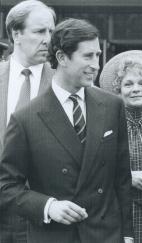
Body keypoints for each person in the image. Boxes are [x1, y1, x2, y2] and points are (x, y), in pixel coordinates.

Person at [0, 18, 133, 243]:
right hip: (55, 235)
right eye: (88, 56)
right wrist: (48, 206)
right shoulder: (26, 118)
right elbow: (6, 187)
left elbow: (121, 179)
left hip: (105, 234)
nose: (96, 65)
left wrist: (127, 235)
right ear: (62, 57)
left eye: (98, 55)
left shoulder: (112, 105)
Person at [100, 50, 142, 243]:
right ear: (118, 89)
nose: (136, 89)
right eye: (128, 84)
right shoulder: (108, 126)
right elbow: (96, 170)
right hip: (122, 215)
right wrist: (127, 177)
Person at [0, 1, 55, 242]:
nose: (48, 39)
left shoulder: (65, 85)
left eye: (51, 32)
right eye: (40, 31)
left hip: (47, 213)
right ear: (16, 34)